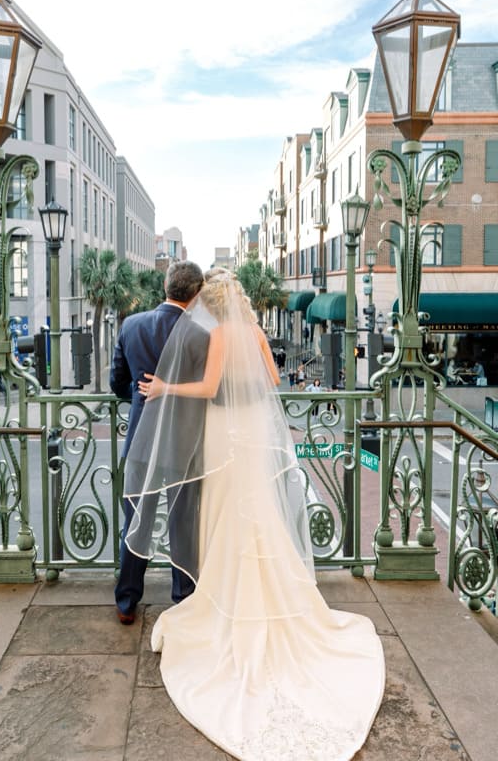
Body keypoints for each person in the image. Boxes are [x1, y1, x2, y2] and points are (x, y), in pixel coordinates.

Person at [133, 269, 384, 761]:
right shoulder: (254, 333)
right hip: (252, 426)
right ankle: (272, 592)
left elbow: (207, 390)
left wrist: (165, 388)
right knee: (258, 513)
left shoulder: (224, 333)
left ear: (215, 303)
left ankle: (227, 599)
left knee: (227, 514)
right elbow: (271, 379)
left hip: (225, 430)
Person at [110, 260, 208, 625]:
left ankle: (126, 601)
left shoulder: (132, 326)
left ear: (166, 287)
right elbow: (208, 394)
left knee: (137, 521)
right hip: (184, 445)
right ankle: (183, 598)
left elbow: (117, 383)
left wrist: (140, 398)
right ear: (196, 293)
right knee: (183, 524)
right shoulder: (201, 335)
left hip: (141, 441)